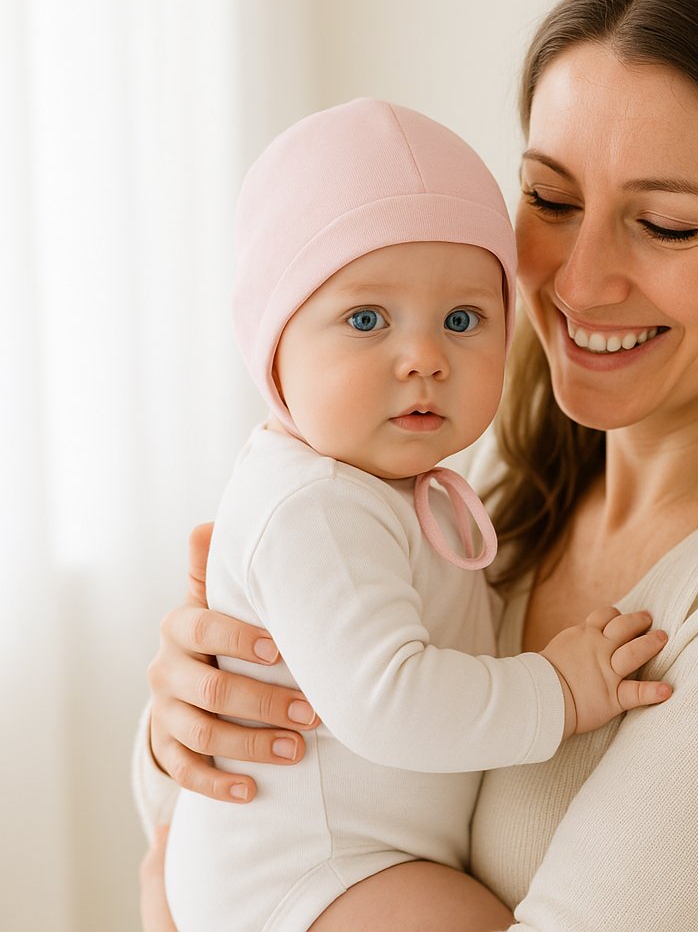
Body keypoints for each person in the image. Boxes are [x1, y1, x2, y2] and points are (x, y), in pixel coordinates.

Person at [136, 0, 698, 932]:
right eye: (549, 200)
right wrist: (185, 728)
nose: (579, 281)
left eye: (665, 224)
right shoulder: (482, 484)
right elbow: (193, 846)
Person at [160, 97, 672, 932]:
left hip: (353, 863)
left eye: (463, 320)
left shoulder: (397, 485)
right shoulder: (315, 504)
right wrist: (559, 691)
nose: (425, 359)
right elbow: (388, 700)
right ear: (273, 342)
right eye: (366, 319)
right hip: (313, 873)